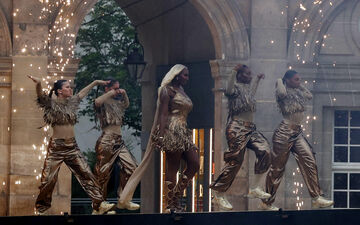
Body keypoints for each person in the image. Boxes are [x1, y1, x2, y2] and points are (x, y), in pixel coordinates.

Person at [117, 64, 199, 212]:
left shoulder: (182, 91)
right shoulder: (167, 91)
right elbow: (162, 114)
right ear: (177, 75)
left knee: (194, 164)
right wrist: (161, 135)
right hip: (171, 130)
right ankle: (172, 203)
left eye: (188, 75)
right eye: (185, 75)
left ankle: (176, 196)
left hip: (184, 131)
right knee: (173, 167)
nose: (187, 78)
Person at [27, 75, 115, 215]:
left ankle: (99, 205)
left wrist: (95, 82)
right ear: (60, 91)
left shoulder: (72, 103)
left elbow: (82, 93)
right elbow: (40, 95)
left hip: (72, 147)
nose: (70, 89)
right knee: (48, 179)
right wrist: (38, 83)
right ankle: (41, 209)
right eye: (67, 87)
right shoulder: (50, 104)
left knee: (86, 174)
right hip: (56, 147)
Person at [260, 70, 334, 210]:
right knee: (277, 169)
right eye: (296, 80)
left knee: (310, 160)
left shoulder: (298, 93)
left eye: (300, 79)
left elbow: (309, 95)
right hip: (284, 133)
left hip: (297, 133)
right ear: (287, 80)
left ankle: (316, 197)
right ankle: (267, 202)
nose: (299, 82)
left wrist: (299, 86)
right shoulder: (282, 92)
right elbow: (281, 93)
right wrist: (279, 80)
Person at [210, 64, 271, 211]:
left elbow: (252, 94)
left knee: (265, 150)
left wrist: (257, 79)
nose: (249, 76)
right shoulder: (234, 89)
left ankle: (255, 187)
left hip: (250, 128)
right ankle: (218, 193)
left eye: (250, 74)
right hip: (237, 127)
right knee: (235, 161)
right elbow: (229, 89)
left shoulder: (247, 90)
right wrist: (233, 71)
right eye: (247, 74)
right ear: (240, 75)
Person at [93, 78, 139, 211]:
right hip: (107, 140)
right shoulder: (102, 101)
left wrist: (124, 94)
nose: (118, 91)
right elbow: (97, 101)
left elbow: (126, 105)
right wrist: (110, 92)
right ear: (107, 89)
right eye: (115, 88)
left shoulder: (117, 102)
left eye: (119, 88)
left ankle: (124, 199)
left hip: (119, 141)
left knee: (132, 167)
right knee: (103, 173)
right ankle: (99, 205)